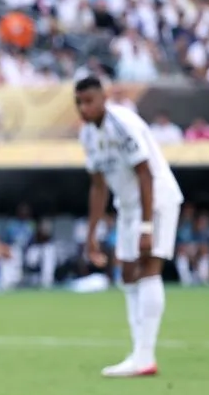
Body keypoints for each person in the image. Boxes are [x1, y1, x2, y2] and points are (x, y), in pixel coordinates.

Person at [77, 76, 184, 378]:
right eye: (80, 103)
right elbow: (98, 186)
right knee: (126, 273)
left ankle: (144, 357)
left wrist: (147, 226)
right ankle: (138, 353)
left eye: (89, 101)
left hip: (156, 199)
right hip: (127, 206)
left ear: (103, 99)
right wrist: (92, 234)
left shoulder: (121, 124)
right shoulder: (87, 134)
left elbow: (145, 173)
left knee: (149, 267)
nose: (84, 108)